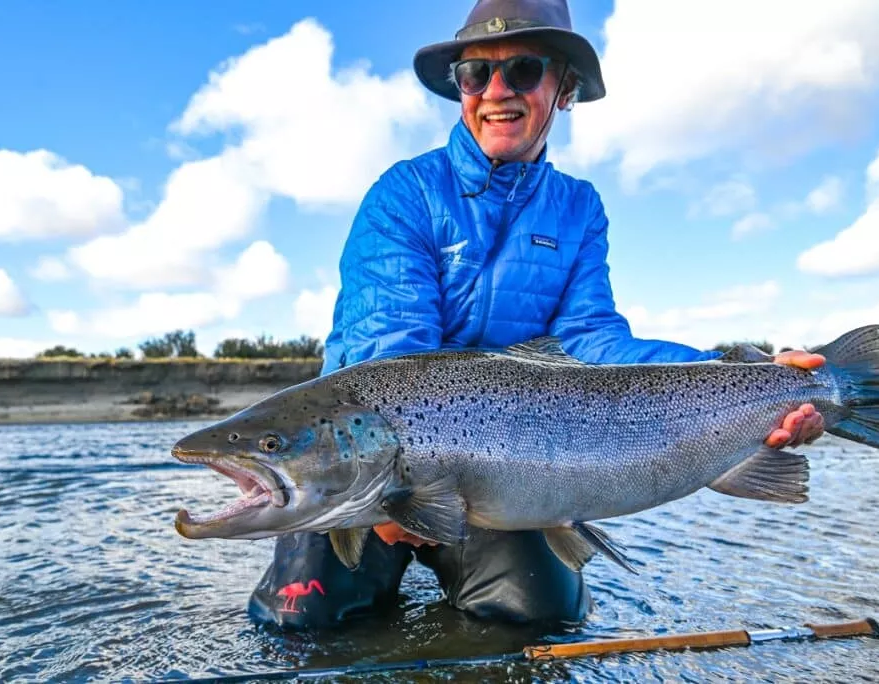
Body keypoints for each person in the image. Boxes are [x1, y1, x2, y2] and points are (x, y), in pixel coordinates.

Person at [249, 0, 825, 629]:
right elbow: (389, 361)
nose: (497, 92)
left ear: (565, 89)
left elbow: (593, 341)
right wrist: (396, 500)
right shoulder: (405, 193)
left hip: (508, 478)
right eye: (475, 74)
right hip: (369, 469)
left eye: (523, 70)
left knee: (540, 621)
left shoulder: (578, 208)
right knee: (301, 627)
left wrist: (747, 376)